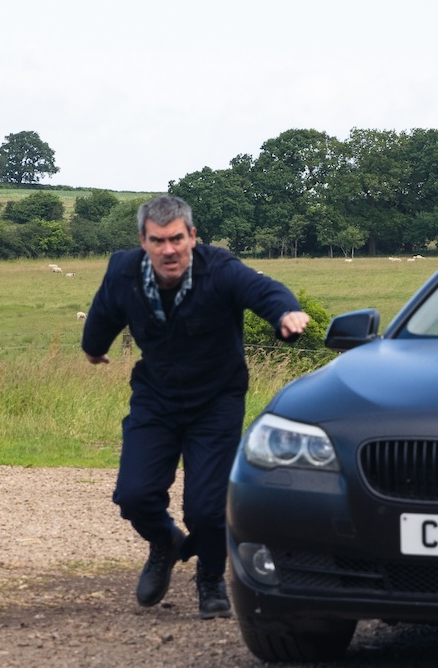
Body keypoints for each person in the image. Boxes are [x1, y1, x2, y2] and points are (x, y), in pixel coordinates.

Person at [82, 195, 311, 618]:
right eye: (157, 241)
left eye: (176, 239)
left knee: (205, 509)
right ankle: (165, 541)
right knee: (134, 495)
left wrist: (285, 314)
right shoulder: (123, 271)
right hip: (156, 397)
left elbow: (264, 290)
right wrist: (94, 349)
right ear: (143, 241)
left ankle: (209, 581)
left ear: (192, 236)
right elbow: (104, 312)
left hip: (215, 400)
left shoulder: (220, 270)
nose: (168, 250)